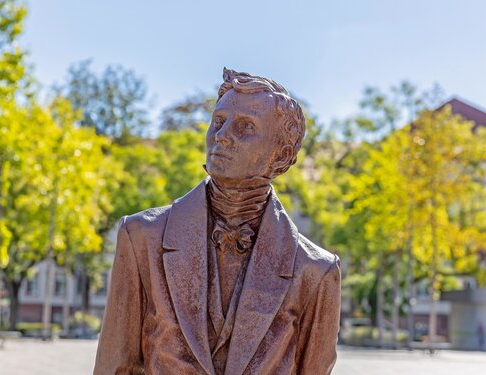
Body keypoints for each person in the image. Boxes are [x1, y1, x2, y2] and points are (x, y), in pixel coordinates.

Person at [94, 68, 341, 375]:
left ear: (281, 155)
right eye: (219, 123)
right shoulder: (142, 237)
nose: (222, 137)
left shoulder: (315, 271)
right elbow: (115, 366)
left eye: (245, 127)